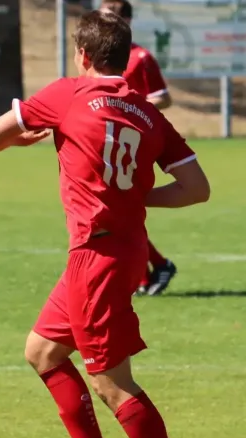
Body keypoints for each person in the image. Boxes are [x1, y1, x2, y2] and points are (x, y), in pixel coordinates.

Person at [0, 11, 212, 438]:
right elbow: (196, 189)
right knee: (42, 352)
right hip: (122, 251)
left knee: (111, 383)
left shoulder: (67, 93)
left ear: (82, 55)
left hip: (96, 257)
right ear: (128, 58)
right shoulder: (149, 117)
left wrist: (27, 138)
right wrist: (132, 195)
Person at [100, 0, 178, 297]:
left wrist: (131, 106)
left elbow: (164, 98)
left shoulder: (139, 57)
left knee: (120, 210)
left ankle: (152, 270)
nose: (105, 25)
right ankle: (149, 273)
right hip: (104, 143)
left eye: (111, 19)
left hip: (131, 145)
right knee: (117, 211)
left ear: (127, 22)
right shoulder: (99, 59)